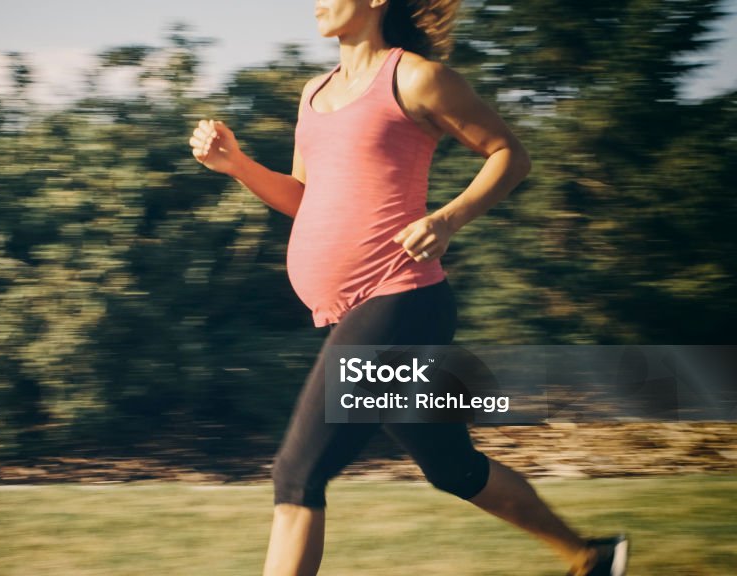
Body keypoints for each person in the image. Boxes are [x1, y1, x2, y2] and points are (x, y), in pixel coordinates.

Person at [188, 1, 629, 575]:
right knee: (452, 468)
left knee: (297, 473)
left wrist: (447, 219)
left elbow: (510, 155)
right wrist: (239, 165)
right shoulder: (314, 93)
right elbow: (304, 198)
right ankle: (592, 557)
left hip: (400, 300)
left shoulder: (416, 77)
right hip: (354, 310)